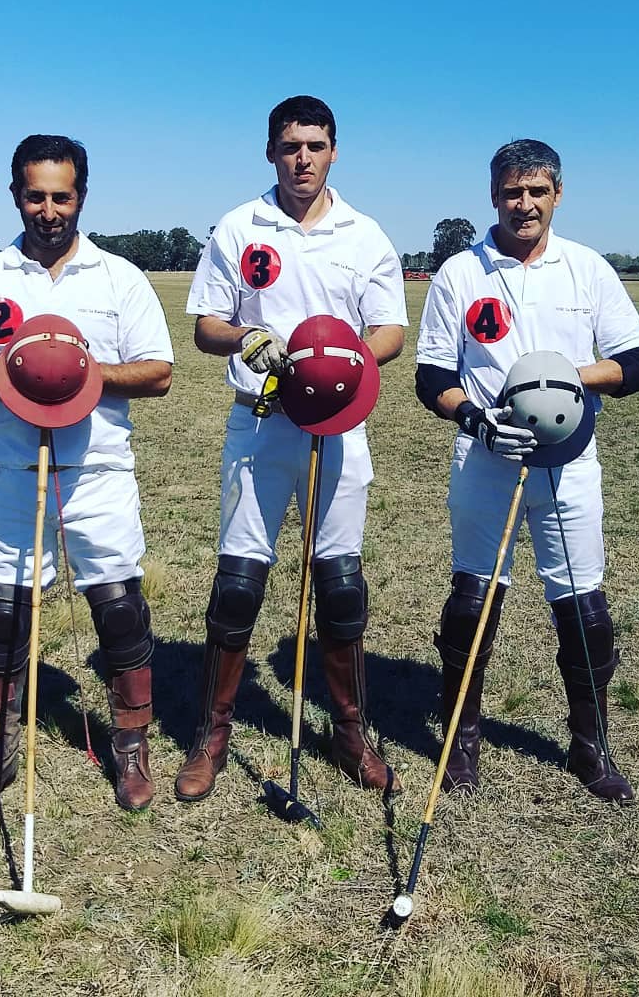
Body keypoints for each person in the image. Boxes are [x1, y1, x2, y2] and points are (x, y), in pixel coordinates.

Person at [0, 134, 174, 813]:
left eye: (60, 196)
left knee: (118, 606)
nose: (48, 209)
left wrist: (82, 375)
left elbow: (157, 370)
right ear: (16, 196)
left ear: (81, 197)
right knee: (4, 613)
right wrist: (15, 376)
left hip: (96, 468)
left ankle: (131, 746)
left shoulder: (119, 277)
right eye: (34, 195)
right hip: (11, 467)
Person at [176, 95, 408, 803]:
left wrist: (347, 369)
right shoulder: (241, 226)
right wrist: (247, 336)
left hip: (337, 424)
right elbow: (206, 324)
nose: (301, 158)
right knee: (240, 581)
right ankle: (212, 734)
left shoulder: (363, 234)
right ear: (271, 152)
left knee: (339, 583)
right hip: (259, 419)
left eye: (314, 145)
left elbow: (390, 329)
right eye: (289, 146)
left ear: (334, 150)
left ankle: (348, 731)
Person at [415, 139, 639, 803]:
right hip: (487, 458)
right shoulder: (460, 274)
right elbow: (432, 377)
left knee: (583, 606)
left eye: (537, 191)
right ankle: (461, 742)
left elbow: (637, 364)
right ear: (493, 195)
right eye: (512, 191)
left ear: (557, 194)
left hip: (569, 461)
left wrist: (562, 382)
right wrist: (479, 419)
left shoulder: (587, 269)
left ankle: (590, 745)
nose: (524, 203)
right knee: (474, 599)